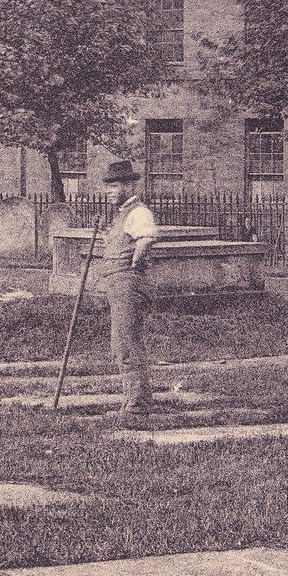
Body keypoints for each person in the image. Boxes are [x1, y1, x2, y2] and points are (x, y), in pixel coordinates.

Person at [93, 159, 159, 414]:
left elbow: (146, 239)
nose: (109, 192)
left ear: (130, 186)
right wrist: (104, 233)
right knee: (119, 343)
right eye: (108, 187)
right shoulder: (123, 214)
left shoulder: (139, 212)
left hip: (128, 284)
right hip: (118, 284)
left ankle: (138, 404)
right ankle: (132, 399)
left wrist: (133, 264)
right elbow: (121, 241)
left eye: (115, 186)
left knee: (127, 343)